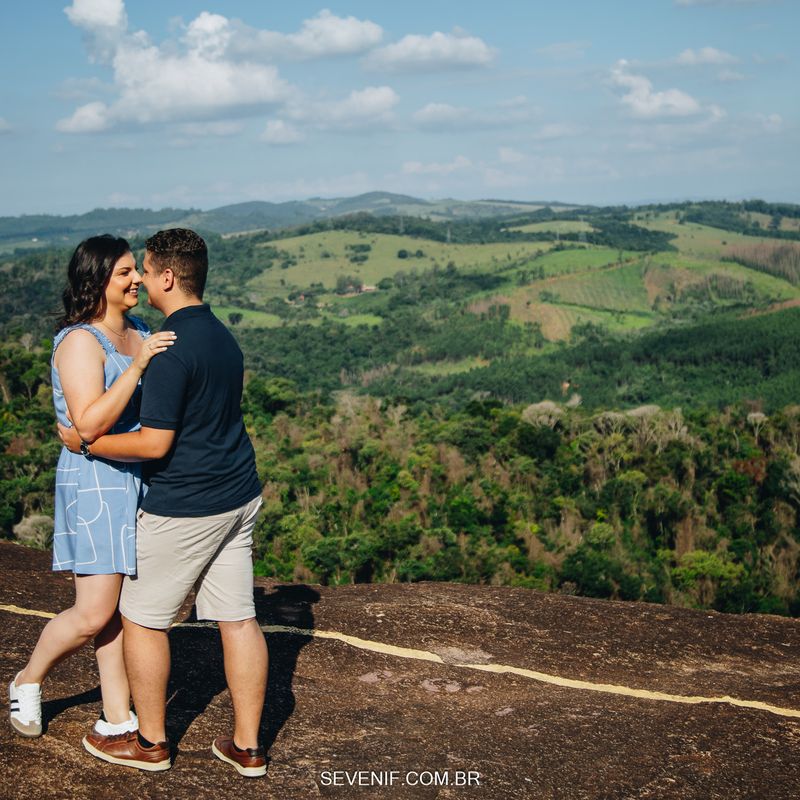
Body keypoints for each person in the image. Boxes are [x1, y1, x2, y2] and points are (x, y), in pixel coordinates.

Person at [59, 228, 268, 778]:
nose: (141, 280)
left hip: (187, 504)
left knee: (142, 621)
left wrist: (89, 443)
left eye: (146, 271)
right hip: (239, 495)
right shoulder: (222, 336)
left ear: (168, 277)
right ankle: (247, 747)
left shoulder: (170, 348)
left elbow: (154, 444)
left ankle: (150, 743)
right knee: (239, 619)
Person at [8, 235, 176, 741]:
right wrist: (140, 365)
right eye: (125, 272)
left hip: (138, 476)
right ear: (97, 281)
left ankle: (117, 712)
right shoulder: (81, 341)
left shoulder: (139, 330)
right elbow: (88, 425)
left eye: (136, 270)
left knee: (121, 610)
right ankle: (27, 679)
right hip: (96, 480)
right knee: (94, 610)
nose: (137, 279)